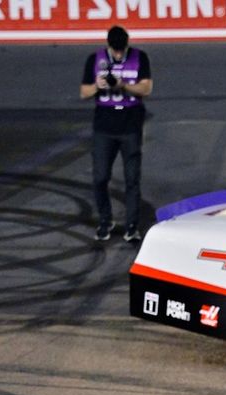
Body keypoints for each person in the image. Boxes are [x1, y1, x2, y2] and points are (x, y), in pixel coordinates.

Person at [80, 25, 152, 242]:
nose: (119, 54)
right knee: (100, 177)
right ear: (108, 46)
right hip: (104, 127)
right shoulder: (95, 59)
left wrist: (123, 85)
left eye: (122, 50)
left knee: (132, 178)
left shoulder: (140, 57)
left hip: (130, 126)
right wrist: (97, 86)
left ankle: (132, 225)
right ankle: (105, 219)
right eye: (116, 50)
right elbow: (83, 92)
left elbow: (146, 89)